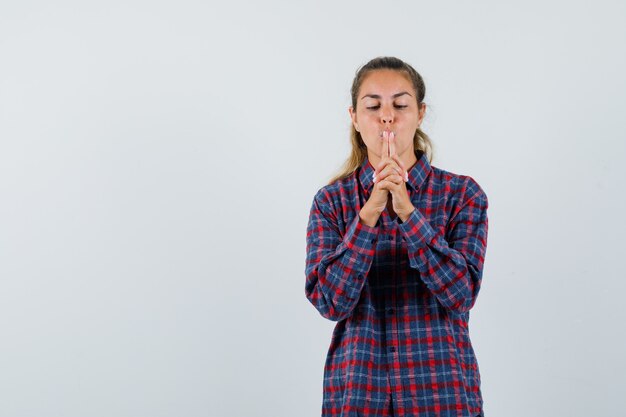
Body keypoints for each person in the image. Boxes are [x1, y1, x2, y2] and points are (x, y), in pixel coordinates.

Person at [304, 56, 489, 417]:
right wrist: (370, 211)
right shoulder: (331, 202)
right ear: (355, 118)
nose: (386, 116)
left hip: (441, 393)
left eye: (400, 105)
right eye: (373, 106)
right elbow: (329, 301)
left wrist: (406, 209)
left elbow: (461, 294)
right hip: (359, 394)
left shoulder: (463, 195)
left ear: (420, 114)